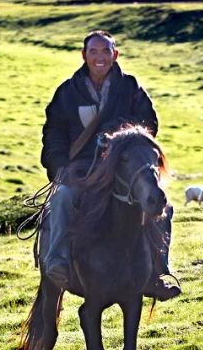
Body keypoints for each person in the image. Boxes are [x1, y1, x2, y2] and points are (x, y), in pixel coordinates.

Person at [40, 30, 180, 301]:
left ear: (115, 54)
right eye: (94, 52)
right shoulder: (68, 92)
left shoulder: (130, 87)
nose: (100, 57)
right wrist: (60, 169)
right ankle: (57, 261)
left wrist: (119, 133)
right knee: (62, 199)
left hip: (122, 168)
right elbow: (53, 133)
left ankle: (159, 272)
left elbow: (149, 123)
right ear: (84, 56)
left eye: (106, 51)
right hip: (81, 171)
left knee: (163, 205)